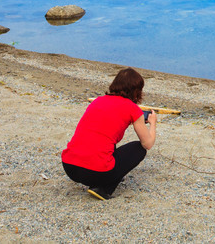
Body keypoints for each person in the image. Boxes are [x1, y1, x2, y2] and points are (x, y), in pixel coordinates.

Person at [61, 67, 158, 200]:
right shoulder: (133, 109)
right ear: (137, 91)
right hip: (95, 172)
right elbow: (148, 143)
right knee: (138, 149)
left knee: (102, 141)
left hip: (70, 167)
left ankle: (101, 181)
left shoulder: (97, 101)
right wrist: (153, 123)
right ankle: (104, 188)